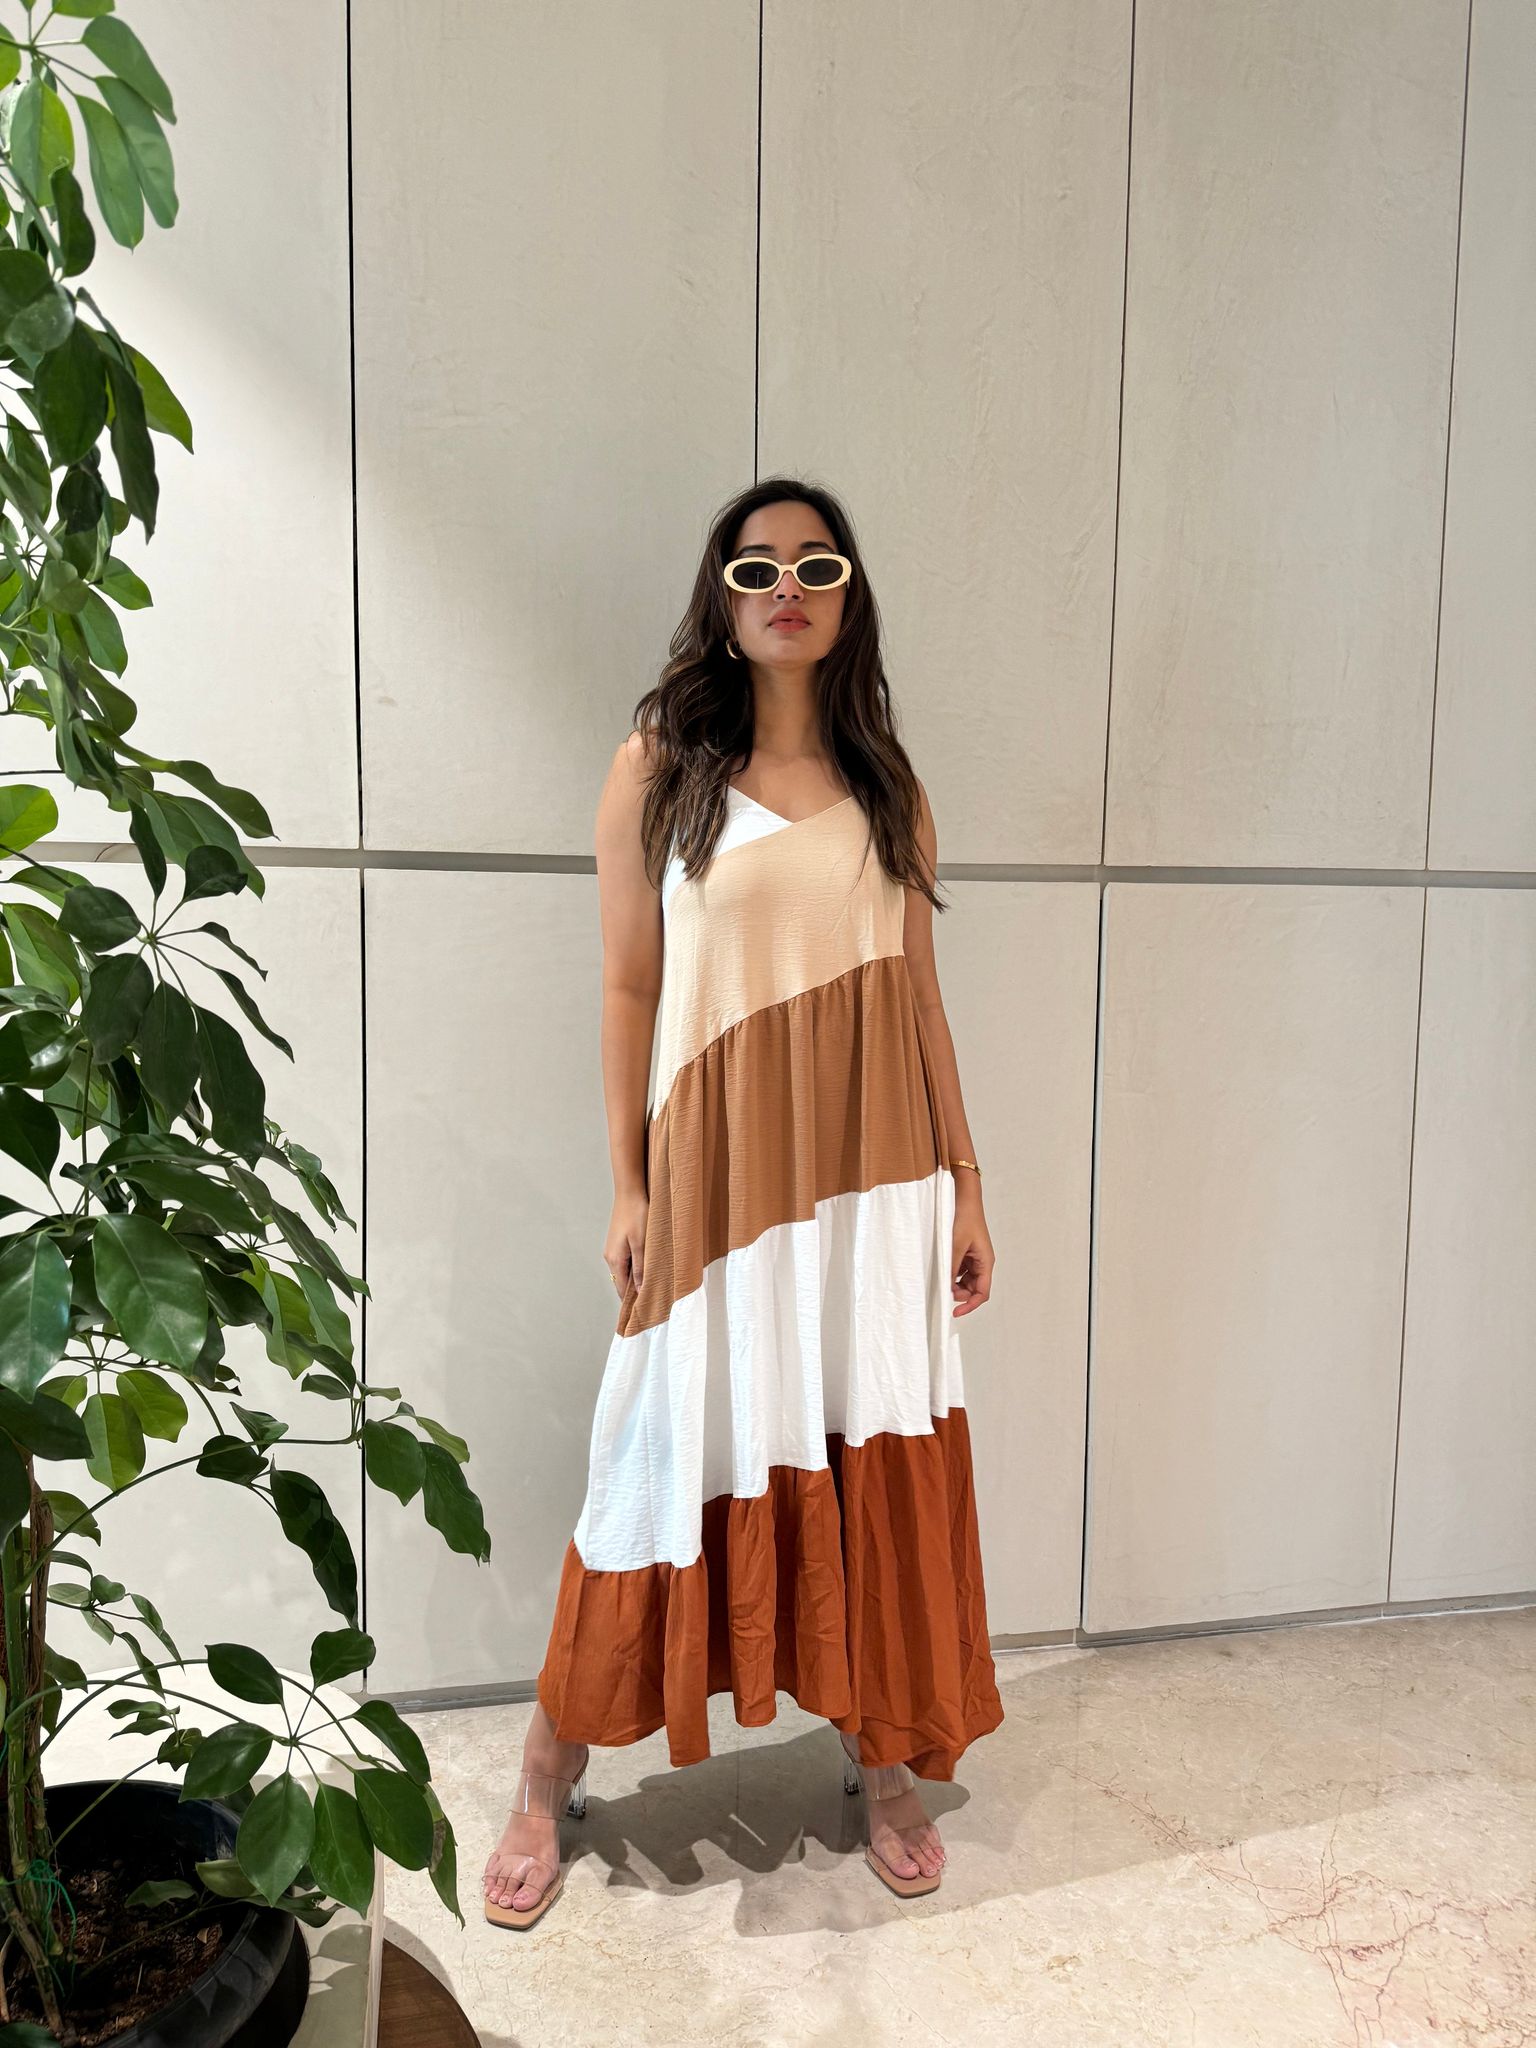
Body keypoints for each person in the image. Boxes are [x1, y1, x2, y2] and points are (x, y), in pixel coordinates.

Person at [484, 477, 1005, 1928]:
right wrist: (629, 1183)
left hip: (872, 1185)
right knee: (651, 1455)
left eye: (816, 566)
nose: (788, 586)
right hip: (716, 1185)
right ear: (722, 596)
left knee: (860, 1439)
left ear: (847, 601)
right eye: (758, 565)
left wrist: (968, 1185)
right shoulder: (661, 767)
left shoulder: (889, 789)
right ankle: (543, 1771)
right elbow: (628, 987)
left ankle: (882, 1761)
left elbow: (920, 1000)